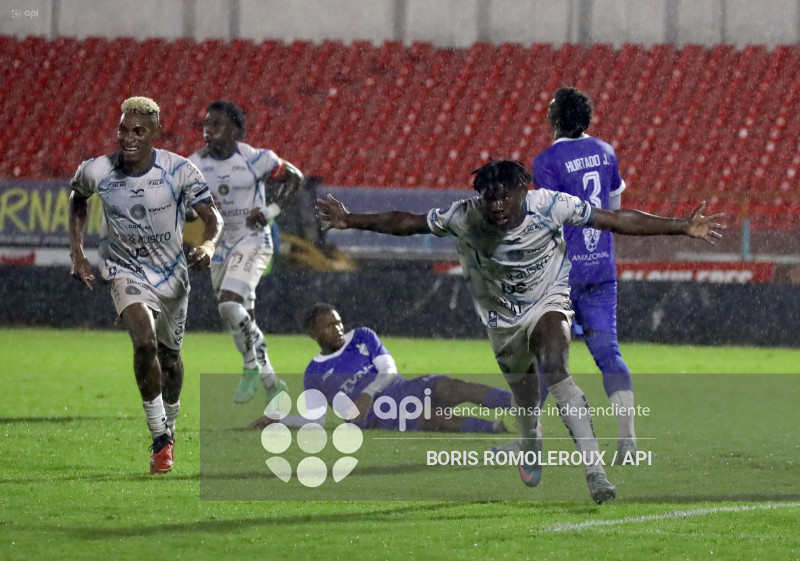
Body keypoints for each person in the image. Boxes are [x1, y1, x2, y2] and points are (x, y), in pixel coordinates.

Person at [315, 159, 723, 503]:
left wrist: (680, 226)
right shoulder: (465, 215)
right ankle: (531, 447)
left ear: (524, 190)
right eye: (489, 196)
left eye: (505, 195)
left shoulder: (552, 206)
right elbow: (408, 223)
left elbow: (615, 219)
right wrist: (350, 220)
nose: (497, 204)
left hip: (550, 302)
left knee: (556, 366)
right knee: (526, 400)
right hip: (502, 321)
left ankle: (595, 473)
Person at [69, 96, 223, 474]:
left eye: (139, 130)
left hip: (173, 277)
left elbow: (212, 216)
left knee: (170, 359)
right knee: (145, 342)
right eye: (123, 129)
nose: (129, 137)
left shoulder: (180, 170)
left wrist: (207, 244)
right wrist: (77, 252)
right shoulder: (98, 170)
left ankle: (170, 426)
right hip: (126, 270)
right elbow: (78, 197)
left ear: (157, 132)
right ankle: (159, 439)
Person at [532, 86, 636, 462]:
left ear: (556, 118)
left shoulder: (546, 160)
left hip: (561, 276)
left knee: (548, 356)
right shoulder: (607, 152)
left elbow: (549, 220)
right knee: (608, 353)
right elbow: (615, 211)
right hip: (601, 271)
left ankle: (533, 437)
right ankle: (628, 435)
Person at [188, 100, 305, 405]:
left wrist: (270, 211)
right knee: (242, 318)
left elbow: (296, 178)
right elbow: (185, 214)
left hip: (253, 241)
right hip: (219, 246)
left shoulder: (256, 159)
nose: (209, 131)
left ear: (236, 130)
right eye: (206, 125)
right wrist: (197, 208)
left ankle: (251, 367)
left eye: (217, 125)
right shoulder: (194, 166)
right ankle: (272, 388)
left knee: (229, 305)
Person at [249, 303, 514, 432]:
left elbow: (388, 370)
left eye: (339, 322)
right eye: (329, 326)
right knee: (431, 415)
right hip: (379, 415)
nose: (338, 329)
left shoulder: (362, 336)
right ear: (312, 333)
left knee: (456, 387)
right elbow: (316, 420)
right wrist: (281, 420)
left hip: (402, 387)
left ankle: (521, 406)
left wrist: (368, 392)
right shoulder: (314, 373)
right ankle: (499, 429)